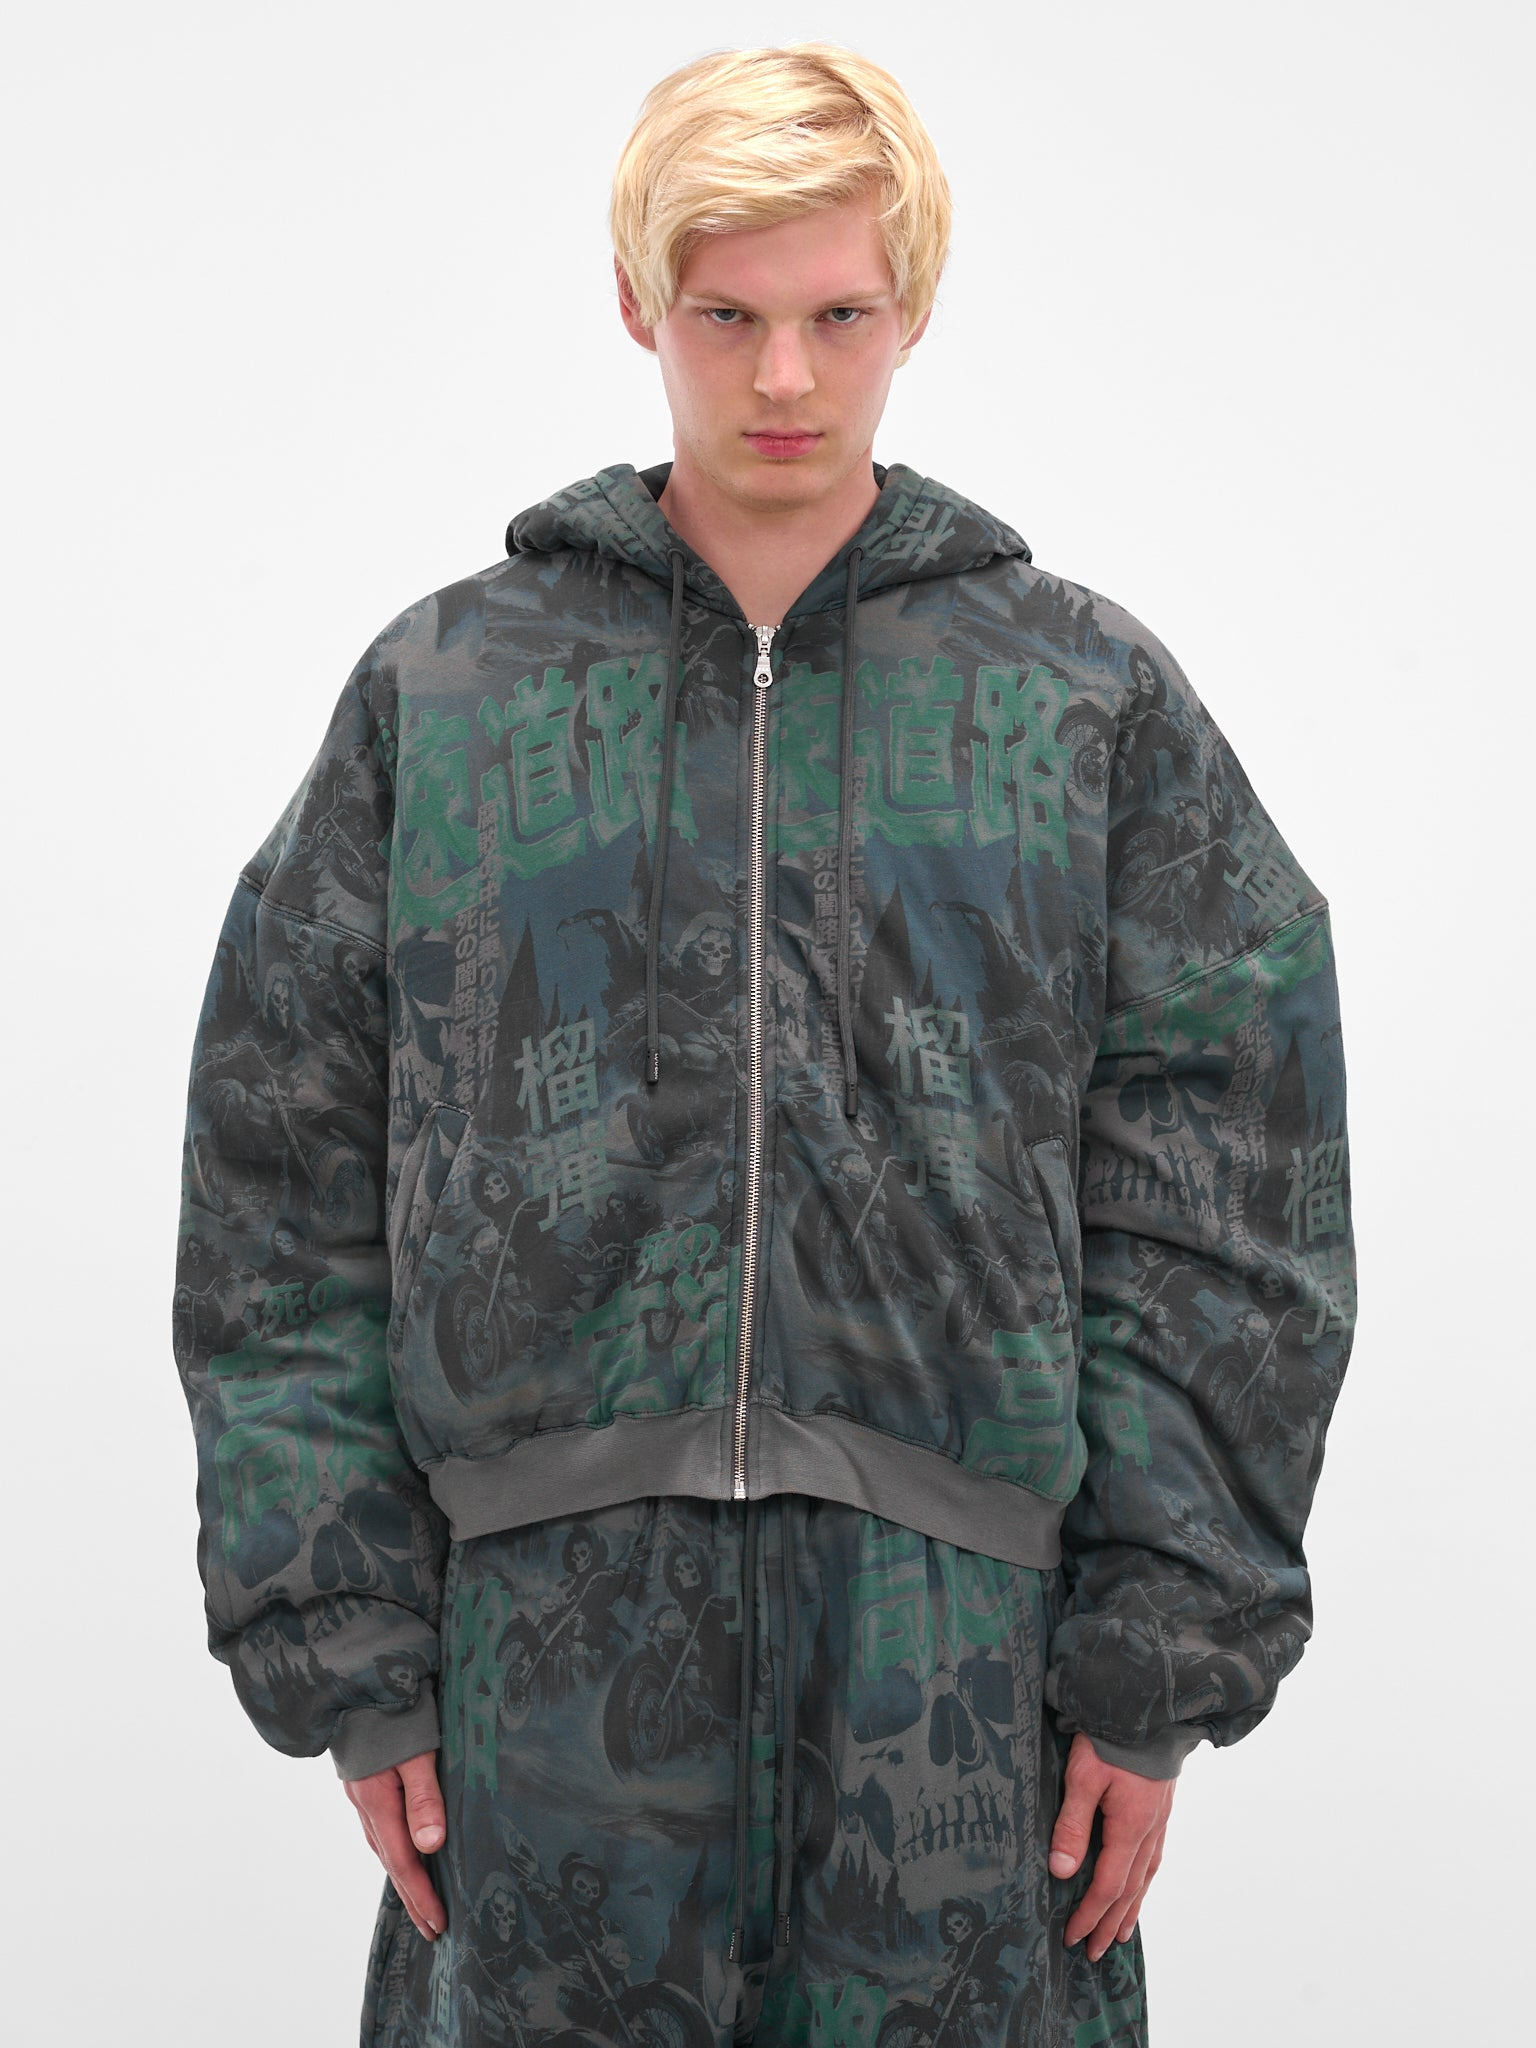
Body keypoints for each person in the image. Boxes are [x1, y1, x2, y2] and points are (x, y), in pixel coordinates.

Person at [172, 41, 1355, 2047]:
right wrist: (349, 1647)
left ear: (914, 310)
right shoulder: (448, 696)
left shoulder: (1079, 702)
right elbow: (279, 1183)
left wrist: (1159, 1655)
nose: (786, 377)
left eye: (840, 317)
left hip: (961, 1688)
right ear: (639, 301)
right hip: (539, 1685)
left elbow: (1234, 1189)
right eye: (727, 316)